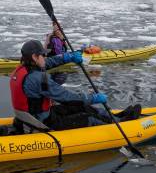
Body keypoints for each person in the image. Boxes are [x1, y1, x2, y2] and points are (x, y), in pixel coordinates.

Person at [10, 40, 140, 132]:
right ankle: (120, 126)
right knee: (88, 117)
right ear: (34, 57)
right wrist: (92, 98)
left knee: (84, 106)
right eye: (43, 55)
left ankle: (118, 118)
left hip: (35, 116)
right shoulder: (38, 78)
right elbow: (66, 97)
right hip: (42, 122)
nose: (45, 57)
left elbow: (49, 62)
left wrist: (68, 57)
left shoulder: (22, 69)